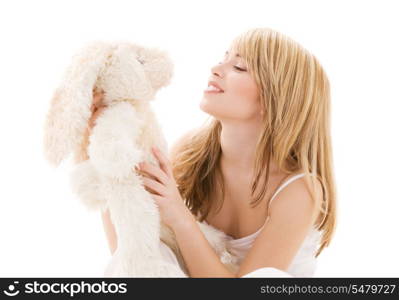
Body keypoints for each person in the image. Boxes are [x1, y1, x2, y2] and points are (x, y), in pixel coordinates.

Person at [80, 27, 337, 278]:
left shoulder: (298, 191)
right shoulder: (192, 152)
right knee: (155, 252)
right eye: (223, 59)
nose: (216, 69)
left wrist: (180, 218)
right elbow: (132, 254)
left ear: (274, 101)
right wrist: (101, 146)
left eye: (238, 67)